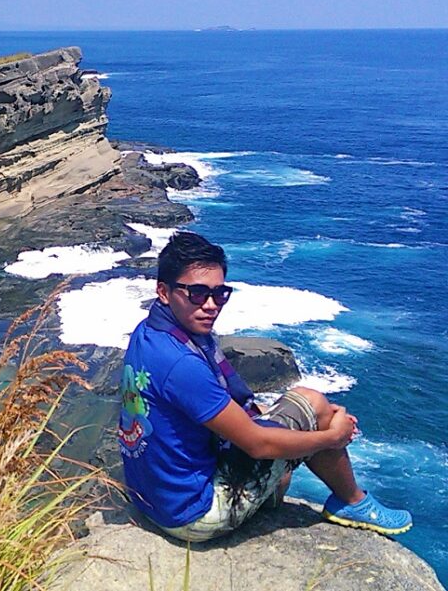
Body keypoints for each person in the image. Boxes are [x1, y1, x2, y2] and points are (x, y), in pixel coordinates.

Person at [118, 231, 411, 540]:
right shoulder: (181, 364)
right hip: (194, 514)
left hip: (154, 498)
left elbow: (225, 409)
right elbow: (258, 444)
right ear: (163, 292)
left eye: (219, 293)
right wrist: (331, 437)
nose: (210, 305)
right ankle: (353, 501)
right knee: (312, 402)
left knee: (301, 415)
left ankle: (279, 486)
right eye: (197, 293)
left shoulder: (149, 332)